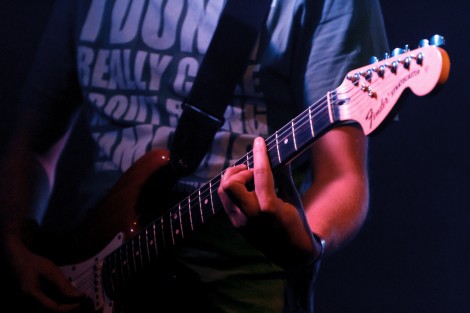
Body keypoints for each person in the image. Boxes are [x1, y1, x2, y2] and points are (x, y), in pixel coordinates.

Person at [0, 0, 389, 312]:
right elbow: (31, 143)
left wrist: (305, 240)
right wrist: (14, 246)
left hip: (234, 289)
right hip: (83, 279)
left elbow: (343, 176)